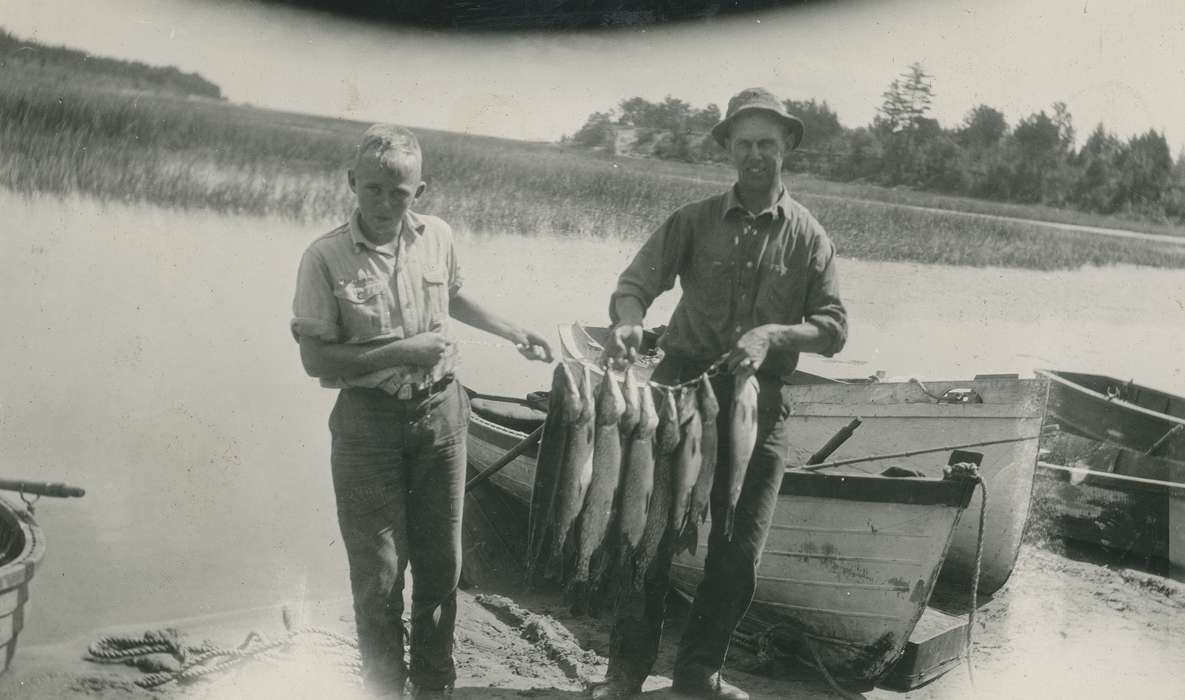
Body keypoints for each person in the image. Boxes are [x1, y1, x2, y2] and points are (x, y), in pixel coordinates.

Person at [598, 88, 849, 700]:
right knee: (647, 535)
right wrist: (630, 321)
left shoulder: (810, 235)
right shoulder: (693, 220)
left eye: (767, 142)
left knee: (738, 553)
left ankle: (698, 673)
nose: (755, 155)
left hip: (758, 405)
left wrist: (772, 334)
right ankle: (626, 673)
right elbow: (633, 287)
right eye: (744, 144)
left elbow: (834, 328)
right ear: (728, 150)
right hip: (680, 394)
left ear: (788, 145)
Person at [291, 123, 552, 699]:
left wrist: (514, 331)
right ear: (352, 181)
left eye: (400, 192)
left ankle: (435, 687)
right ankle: (383, 688)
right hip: (366, 425)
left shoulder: (438, 236)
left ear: (421, 192)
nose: (385, 203)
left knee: (440, 568)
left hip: (443, 416)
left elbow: (453, 295)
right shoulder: (324, 256)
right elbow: (314, 357)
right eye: (374, 188)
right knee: (379, 576)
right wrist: (404, 350)